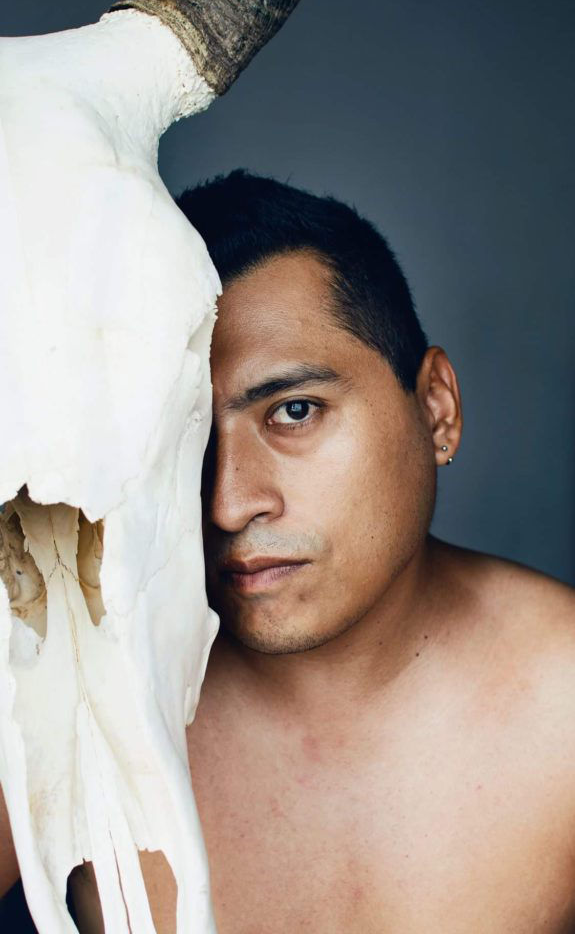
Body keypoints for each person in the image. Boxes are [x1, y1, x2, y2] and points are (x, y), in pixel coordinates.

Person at [2, 169, 575, 932]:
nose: (229, 501)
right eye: (187, 441)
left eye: (294, 412)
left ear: (436, 408)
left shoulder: (561, 703)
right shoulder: (69, 699)